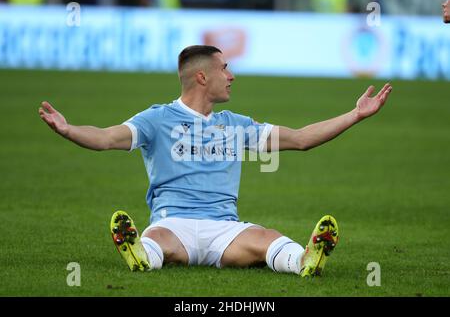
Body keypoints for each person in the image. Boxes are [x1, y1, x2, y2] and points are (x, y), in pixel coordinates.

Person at [38, 45, 392, 277]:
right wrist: (68, 130)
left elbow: (300, 139)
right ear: (202, 76)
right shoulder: (157, 119)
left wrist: (354, 116)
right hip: (172, 223)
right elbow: (106, 137)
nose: (232, 75)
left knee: (269, 237)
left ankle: (305, 260)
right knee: (156, 239)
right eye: (225, 68)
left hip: (225, 229)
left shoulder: (235, 125)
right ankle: (140, 253)